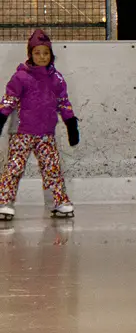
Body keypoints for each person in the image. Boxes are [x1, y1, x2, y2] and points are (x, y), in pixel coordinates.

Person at [0, 30, 80, 220]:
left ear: (51, 55)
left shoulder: (57, 79)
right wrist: (1, 118)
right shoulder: (20, 77)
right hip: (22, 133)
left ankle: (58, 201)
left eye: (46, 53)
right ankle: (4, 202)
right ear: (30, 54)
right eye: (37, 53)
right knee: (14, 168)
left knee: (52, 168)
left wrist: (70, 123)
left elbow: (63, 102)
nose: (42, 57)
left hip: (46, 134)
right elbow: (9, 100)